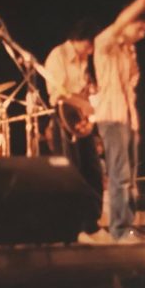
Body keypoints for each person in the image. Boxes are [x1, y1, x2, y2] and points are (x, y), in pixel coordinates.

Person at [86, 0, 145, 244]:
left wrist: (136, 126)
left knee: (131, 178)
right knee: (120, 176)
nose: (141, 35)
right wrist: (142, 2)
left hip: (128, 118)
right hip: (111, 117)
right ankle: (119, 229)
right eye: (139, 29)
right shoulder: (105, 43)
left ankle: (129, 226)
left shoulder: (130, 52)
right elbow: (120, 24)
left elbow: (131, 90)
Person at [44, 18, 103, 234]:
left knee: (93, 171)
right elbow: (57, 93)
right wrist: (84, 104)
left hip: (81, 119)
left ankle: (92, 225)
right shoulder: (57, 56)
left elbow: (83, 89)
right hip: (63, 118)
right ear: (80, 39)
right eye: (89, 46)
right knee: (72, 172)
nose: (90, 52)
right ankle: (72, 228)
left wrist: (93, 96)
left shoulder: (83, 61)